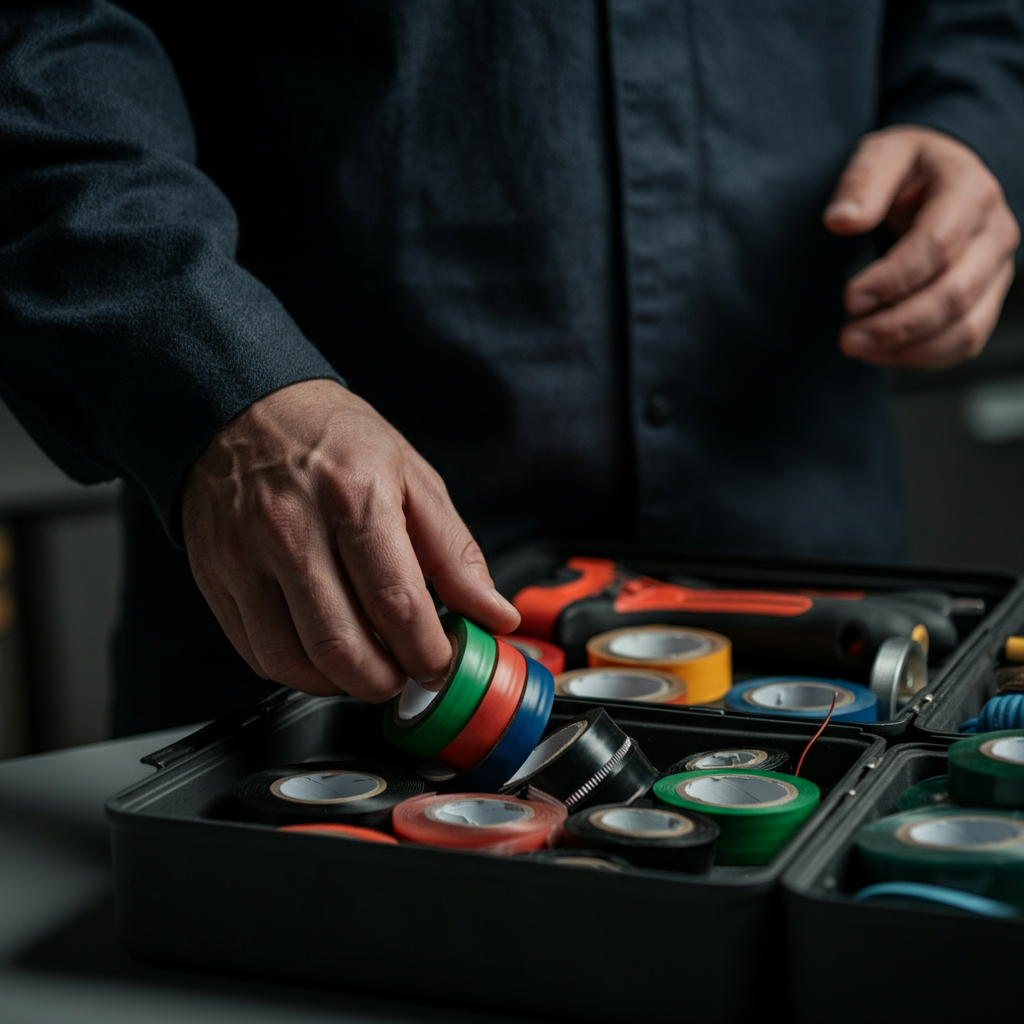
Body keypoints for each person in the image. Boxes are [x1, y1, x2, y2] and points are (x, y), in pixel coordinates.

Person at [0, 1, 1021, 734]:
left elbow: (976, 20)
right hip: (314, 610)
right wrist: (216, 373)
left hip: (833, 597)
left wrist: (972, 128)